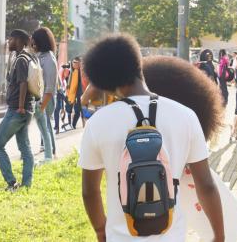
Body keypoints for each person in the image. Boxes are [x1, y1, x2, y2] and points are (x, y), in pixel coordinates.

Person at [78, 34, 225, 242]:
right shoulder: (185, 115)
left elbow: (89, 192)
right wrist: (219, 236)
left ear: (104, 80)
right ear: (139, 64)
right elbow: (206, 185)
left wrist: (101, 231)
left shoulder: (98, 123)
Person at [0, 30, 36, 191]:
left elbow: (23, 83)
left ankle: (12, 183)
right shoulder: (25, 57)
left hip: (18, 110)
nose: (8, 41)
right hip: (25, 109)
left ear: (17, 40)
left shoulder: (22, 59)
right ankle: (26, 184)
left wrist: (20, 106)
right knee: (24, 147)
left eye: (10, 39)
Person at [31, 27, 58, 163]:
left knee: (46, 126)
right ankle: (49, 153)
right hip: (41, 97)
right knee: (44, 126)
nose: (32, 45)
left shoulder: (49, 59)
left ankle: (51, 154)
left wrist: (42, 105)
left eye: (34, 42)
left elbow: (50, 87)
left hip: (47, 98)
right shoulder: (40, 56)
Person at [67, 57, 85, 129]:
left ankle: (83, 125)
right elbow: (72, 86)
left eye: (75, 62)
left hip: (82, 93)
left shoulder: (81, 72)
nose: (73, 64)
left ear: (79, 63)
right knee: (78, 110)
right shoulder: (74, 72)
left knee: (82, 110)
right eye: (73, 62)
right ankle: (74, 124)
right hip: (78, 94)